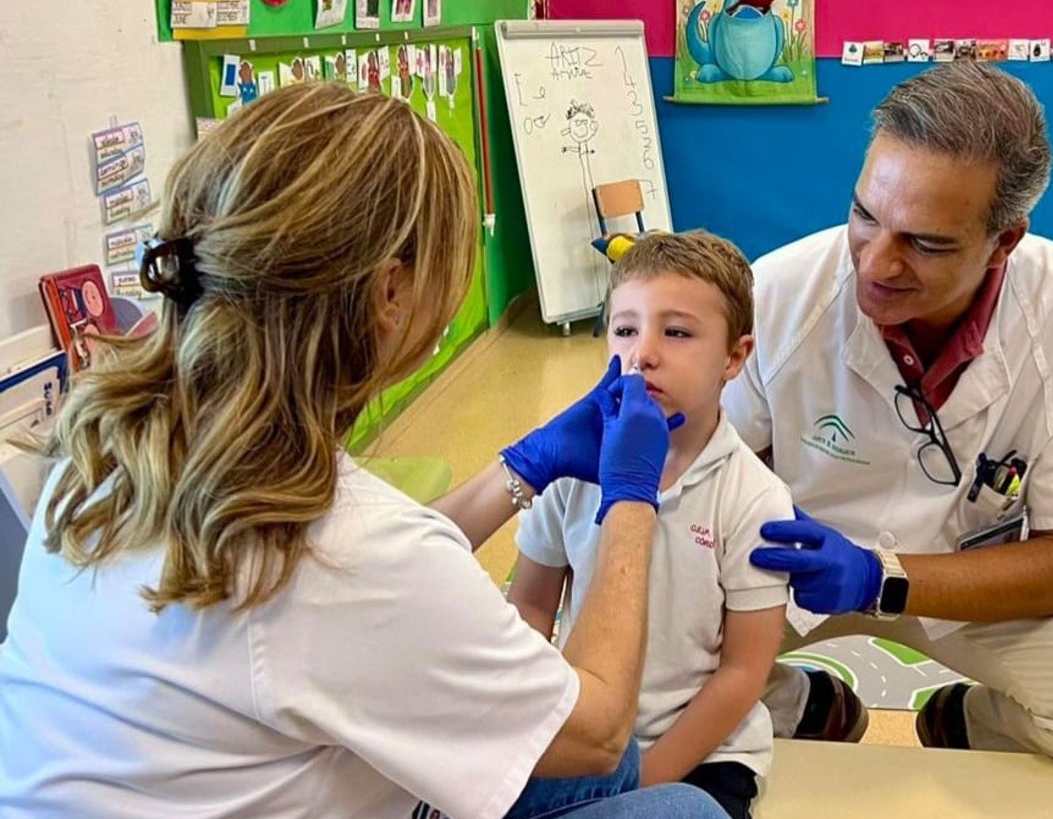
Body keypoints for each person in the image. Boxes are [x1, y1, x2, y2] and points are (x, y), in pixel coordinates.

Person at [0, 84, 726, 819]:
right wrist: (630, 495)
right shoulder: (348, 553)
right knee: (681, 811)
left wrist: (526, 464)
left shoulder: (103, 447)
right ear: (390, 293)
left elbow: (369, 589)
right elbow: (596, 730)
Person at [724, 62, 1053, 769]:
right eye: (865, 216)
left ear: (1005, 241)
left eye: (926, 243)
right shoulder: (779, 292)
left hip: (972, 582)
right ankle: (805, 707)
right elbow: (713, 484)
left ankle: (965, 725)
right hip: (794, 573)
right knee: (627, 665)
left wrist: (882, 577)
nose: (876, 263)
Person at [507, 232, 793, 819]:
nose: (643, 354)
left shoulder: (754, 497)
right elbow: (530, 608)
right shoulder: (572, 471)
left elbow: (742, 674)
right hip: (578, 730)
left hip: (702, 752)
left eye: (678, 332)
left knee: (689, 811)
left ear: (735, 358)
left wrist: (647, 776)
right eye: (625, 329)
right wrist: (517, 723)